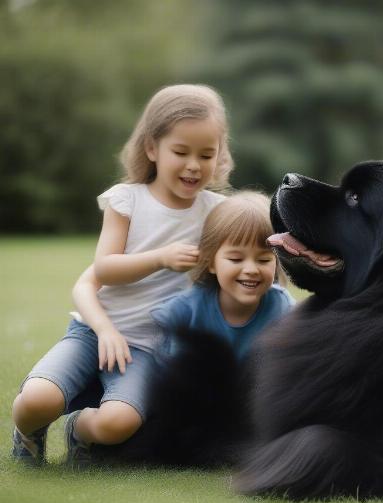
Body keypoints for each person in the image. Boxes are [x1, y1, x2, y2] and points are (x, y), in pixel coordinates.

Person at [12, 83, 233, 465]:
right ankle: (28, 432)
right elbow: (105, 269)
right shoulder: (127, 199)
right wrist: (161, 258)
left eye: (206, 154)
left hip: (147, 349)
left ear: (220, 155)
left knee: (119, 422)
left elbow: (243, 248)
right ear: (152, 148)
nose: (194, 165)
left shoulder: (216, 211)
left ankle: (79, 430)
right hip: (93, 331)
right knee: (36, 400)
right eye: (180, 152)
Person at [150, 191, 295, 362]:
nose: (251, 269)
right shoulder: (188, 311)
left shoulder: (281, 306)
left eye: (263, 260)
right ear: (211, 262)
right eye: (236, 259)